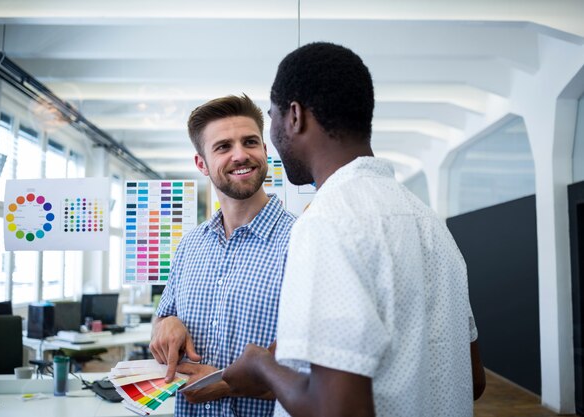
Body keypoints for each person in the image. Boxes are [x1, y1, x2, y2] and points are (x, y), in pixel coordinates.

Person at [222, 42, 486, 417]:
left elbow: (338, 410)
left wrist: (261, 367)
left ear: (294, 116)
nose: (273, 138)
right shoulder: (431, 225)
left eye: (273, 118)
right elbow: (472, 381)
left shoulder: (328, 221)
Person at [149, 94, 295, 417]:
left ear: (265, 152)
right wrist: (165, 325)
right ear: (201, 164)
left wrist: (227, 383)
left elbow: (315, 372)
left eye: (250, 142)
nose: (240, 155)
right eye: (223, 147)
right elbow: (159, 321)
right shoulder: (190, 247)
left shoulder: (300, 242)